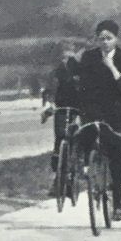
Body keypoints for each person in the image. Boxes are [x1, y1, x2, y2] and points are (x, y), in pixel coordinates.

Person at [77, 19, 121, 222]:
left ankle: (117, 201)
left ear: (116, 39)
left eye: (109, 38)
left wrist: (112, 67)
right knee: (84, 135)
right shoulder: (89, 58)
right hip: (93, 110)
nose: (104, 43)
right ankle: (87, 167)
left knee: (117, 159)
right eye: (101, 39)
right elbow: (83, 86)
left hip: (115, 113)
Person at [41, 40, 82, 174]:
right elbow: (49, 90)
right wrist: (48, 105)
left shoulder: (81, 71)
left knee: (79, 134)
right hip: (62, 107)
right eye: (64, 57)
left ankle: (79, 162)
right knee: (60, 137)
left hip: (79, 107)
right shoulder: (56, 73)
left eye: (69, 57)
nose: (66, 60)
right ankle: (58, 176)